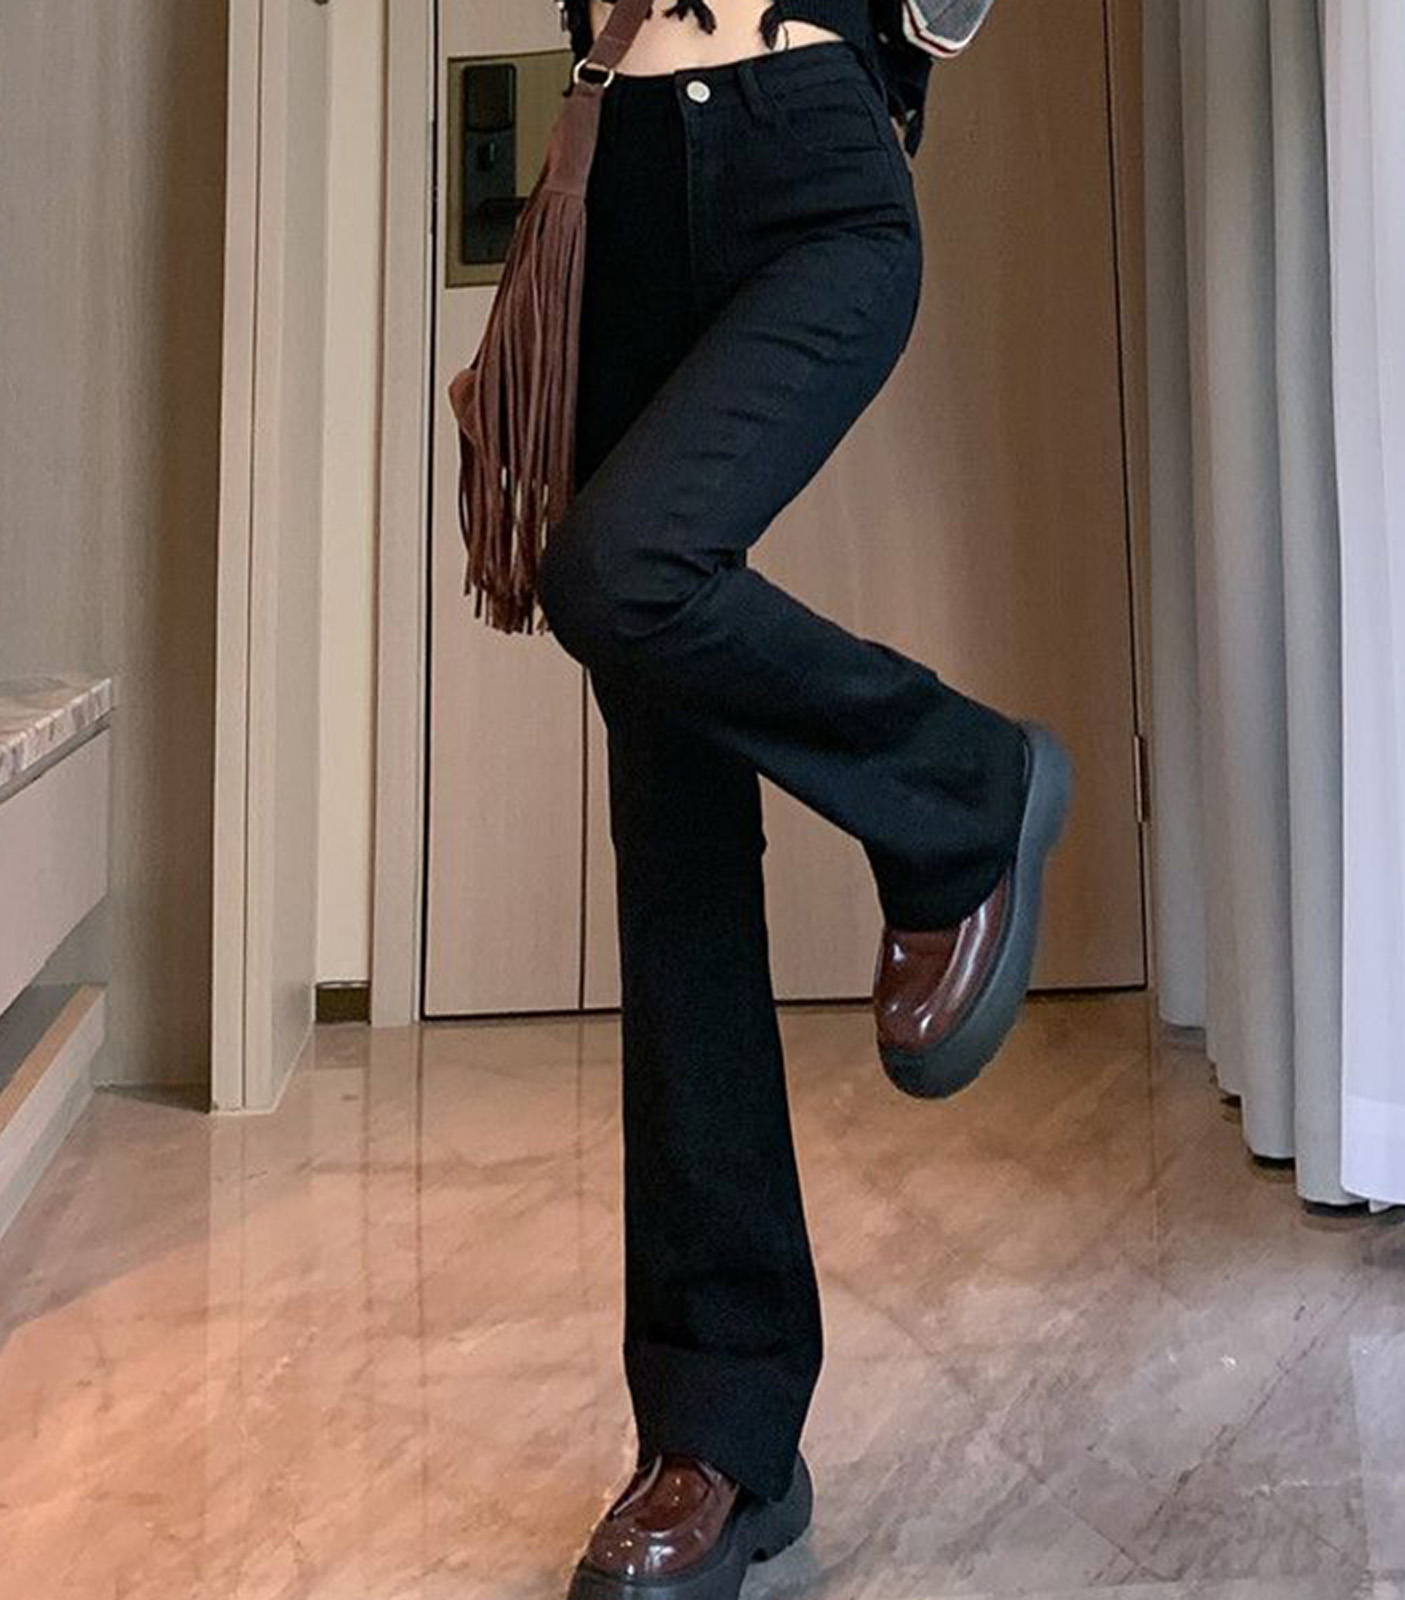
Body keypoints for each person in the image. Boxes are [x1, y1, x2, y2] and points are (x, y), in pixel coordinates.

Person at [539, 2, 1072, 1595]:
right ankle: (718, 1438)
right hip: (622, 177)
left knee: (620, 571)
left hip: (808, 155)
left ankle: (962, 784)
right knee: (673, 833)